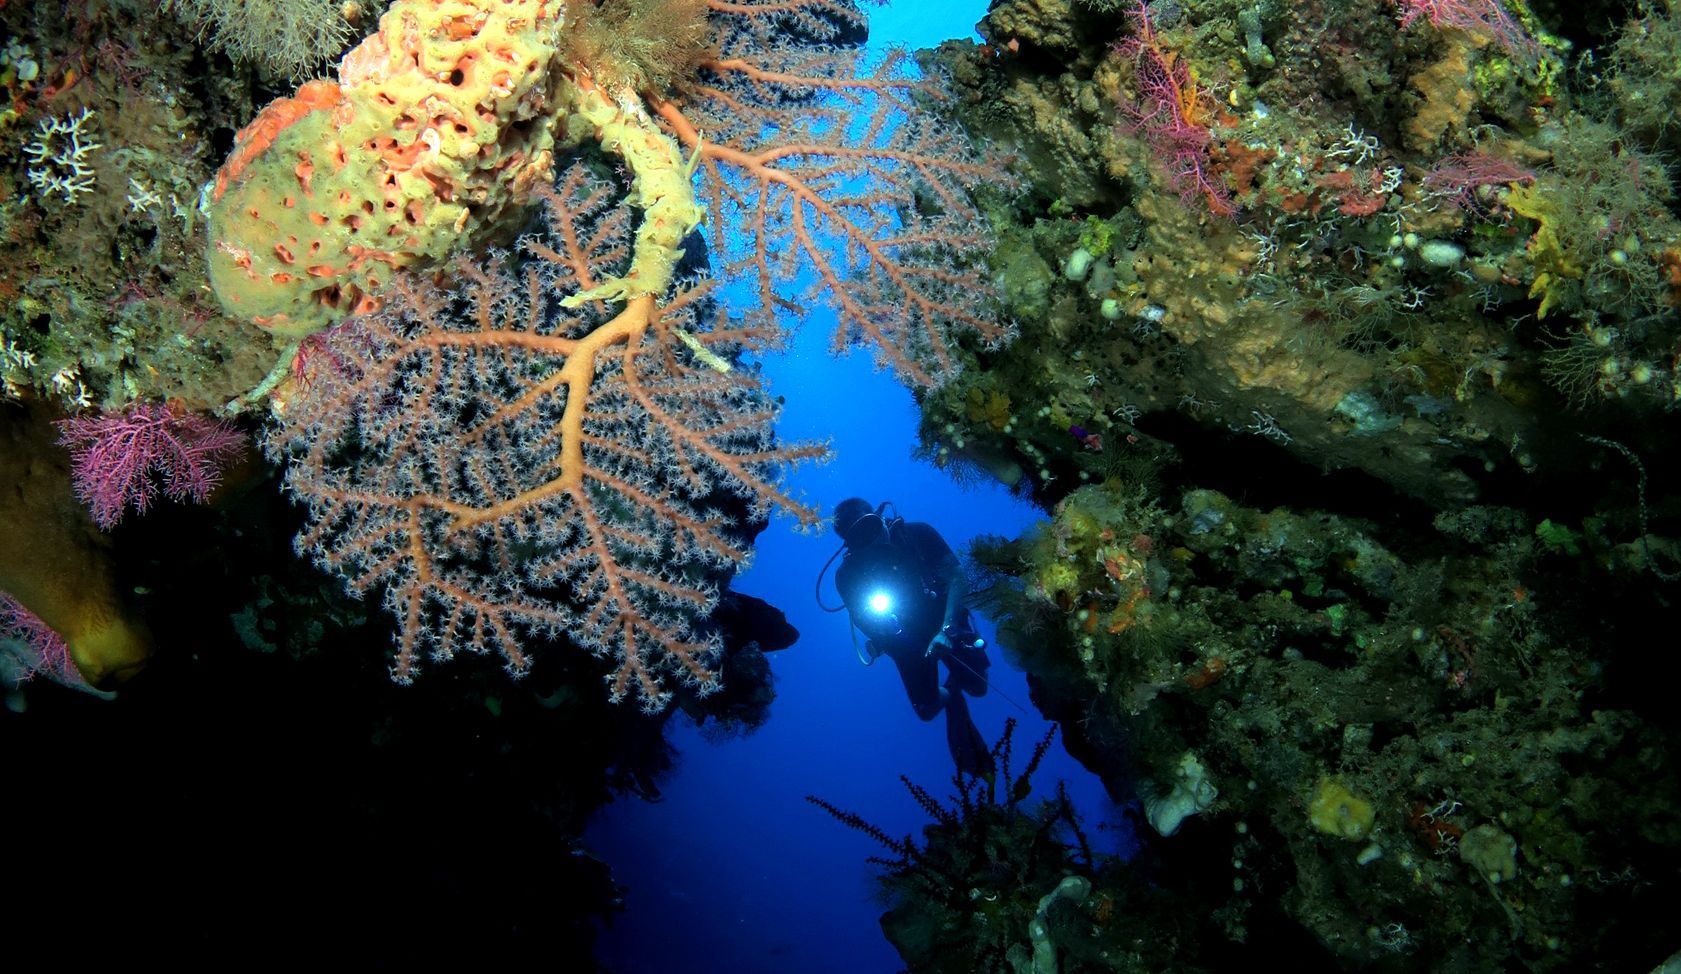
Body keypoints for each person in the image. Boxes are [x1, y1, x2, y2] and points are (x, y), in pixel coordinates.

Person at [823, 497, 994, 778]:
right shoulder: (847, 576)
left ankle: (956, 681)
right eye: (858, 537)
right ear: (848, 544)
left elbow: (956, 577)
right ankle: (951, 697)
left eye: (870, 528)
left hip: (946, 618)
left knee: (978, 687)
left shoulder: (918, 533)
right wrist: (899, 644)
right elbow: (867, 623)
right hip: (905, 640)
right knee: (926, 709)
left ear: (880, 516)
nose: (870, 541)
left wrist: (946, 630)